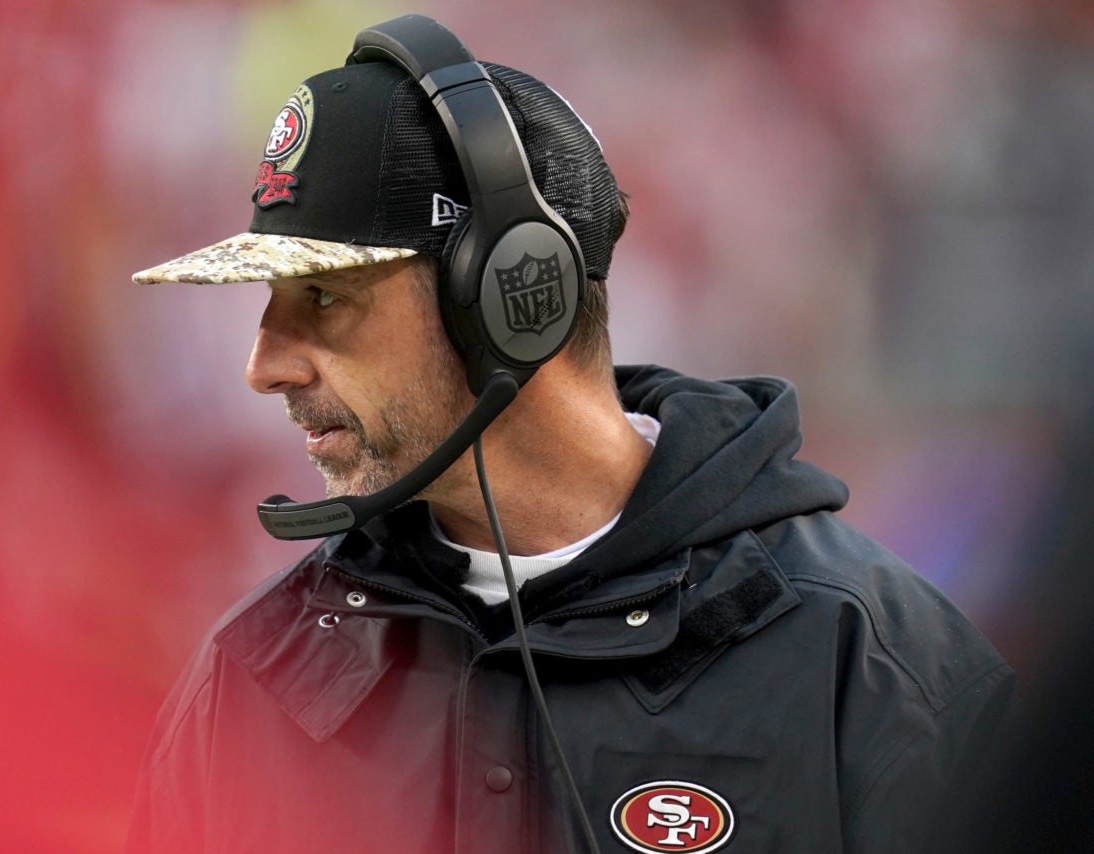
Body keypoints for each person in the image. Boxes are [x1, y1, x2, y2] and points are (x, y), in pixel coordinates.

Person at [126, 15, 1015, 854]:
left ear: (516, 297)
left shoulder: (874, 670)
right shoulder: (254, 677)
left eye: (324, 298)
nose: (264, 365)